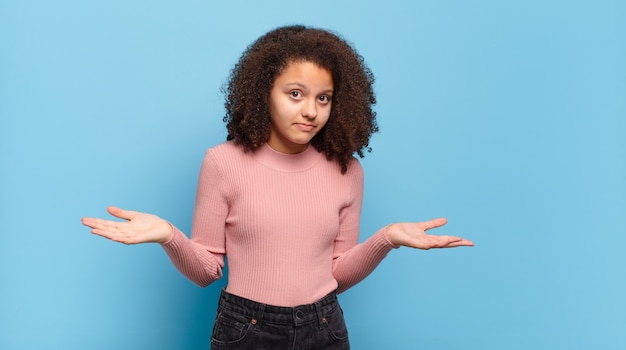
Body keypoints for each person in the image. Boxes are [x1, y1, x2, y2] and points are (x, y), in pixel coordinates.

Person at [81, 25, 474, 350]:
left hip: (325, 325)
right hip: (247, 328)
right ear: (264, 92)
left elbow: (337, 275)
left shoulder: (347, 170)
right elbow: (206, 271)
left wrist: (387, 239)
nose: (310, 111)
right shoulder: (223, 162)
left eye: (324, 98)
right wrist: (169, 236)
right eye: (295, 94)